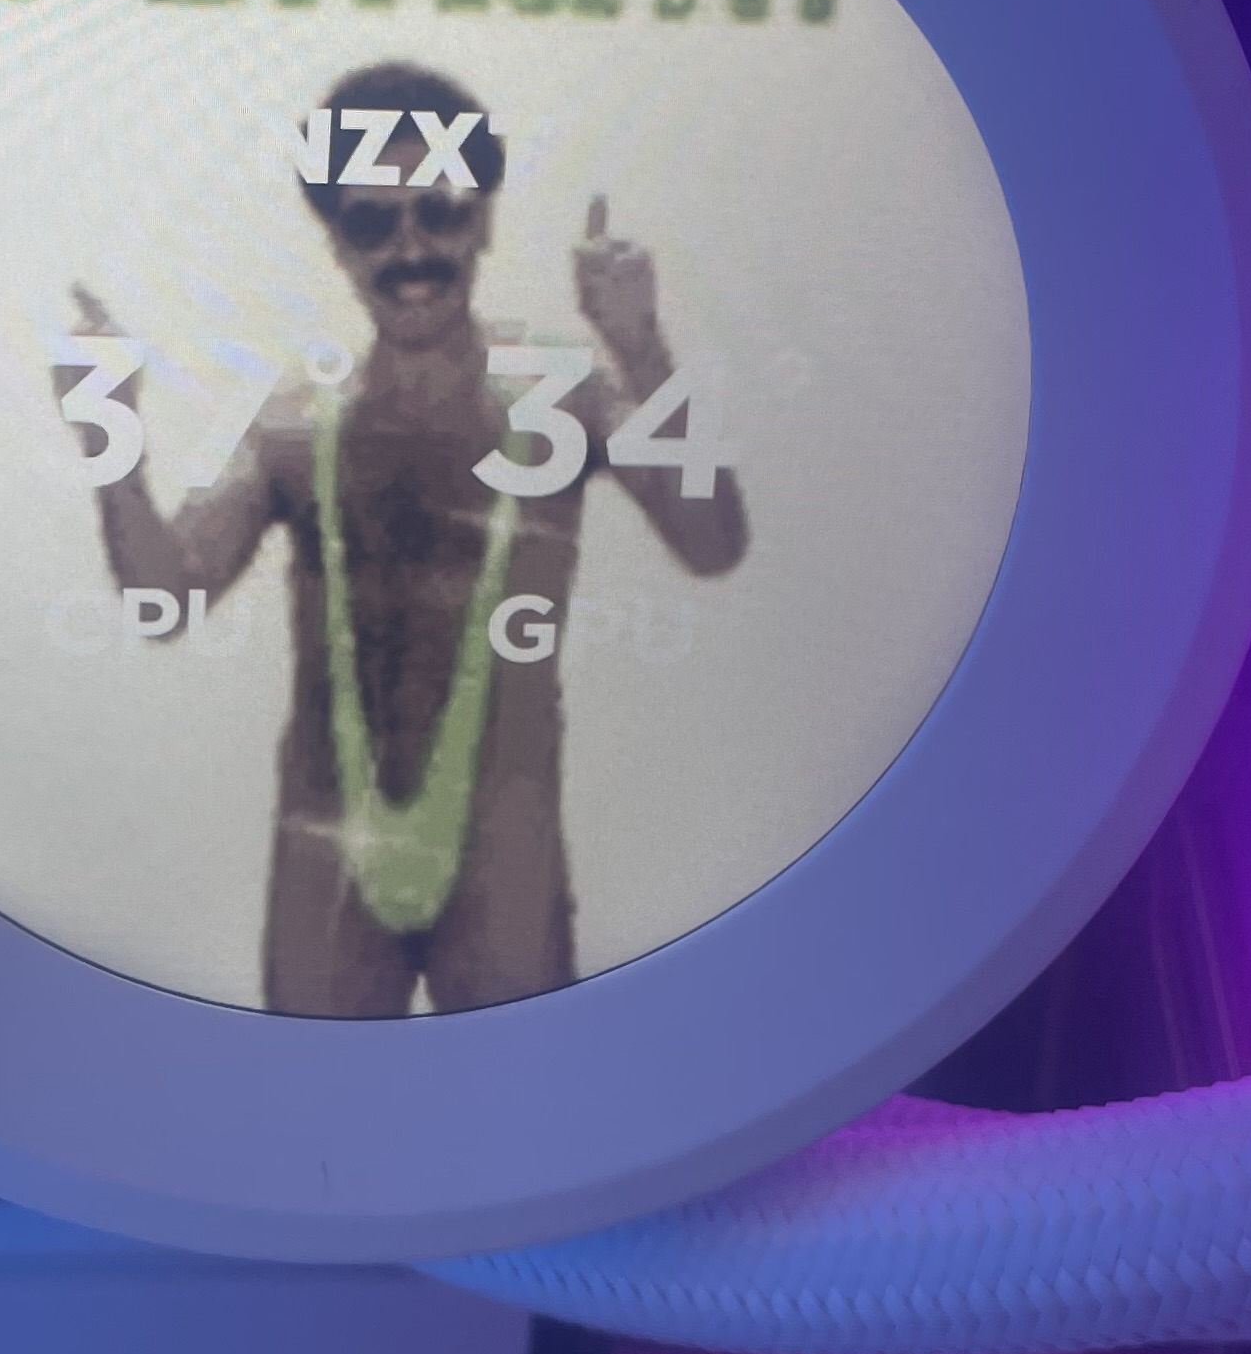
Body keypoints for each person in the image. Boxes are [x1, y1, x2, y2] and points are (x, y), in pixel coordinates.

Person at [69, 63, 745, 1015]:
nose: (412, 249)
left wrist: (641, 345)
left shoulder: (563, 394)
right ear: (338, 245)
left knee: (513, 1103)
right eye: (373, 224)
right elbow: (165, 595)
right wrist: (110, 436)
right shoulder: (293, 425)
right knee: (321, 1106)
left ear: (484, 220)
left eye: (439, 212)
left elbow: (712, 539)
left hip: (502, 848)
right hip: (327, 853)